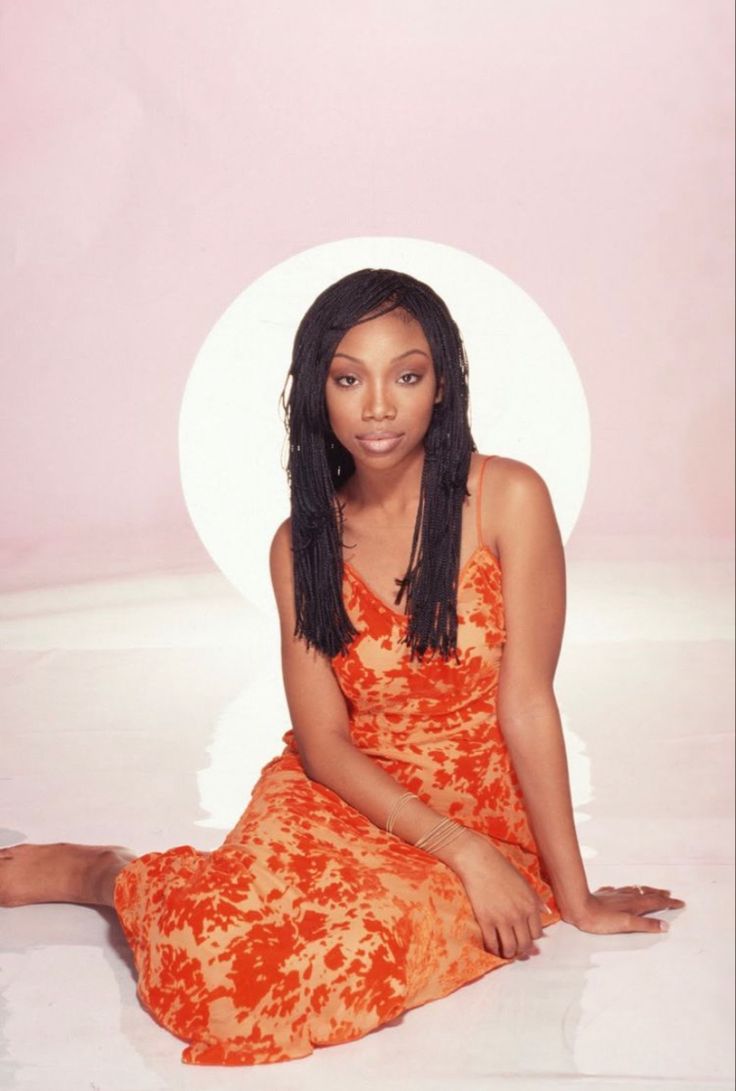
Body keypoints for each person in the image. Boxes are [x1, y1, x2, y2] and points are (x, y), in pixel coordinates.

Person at [0, 268, 684, 1066]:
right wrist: (455, 847)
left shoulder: (507, 498)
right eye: (349, 377)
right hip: (343, 795)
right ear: (316, 392)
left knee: (333, 960)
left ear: (443, 383)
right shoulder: (303, 542)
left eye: (408, 374)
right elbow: (324, 743)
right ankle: (104, 872)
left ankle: (108, 874)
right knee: (212, 955)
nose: (380, 406)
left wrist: (575, 894)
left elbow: (528, 703)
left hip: (491, 829)